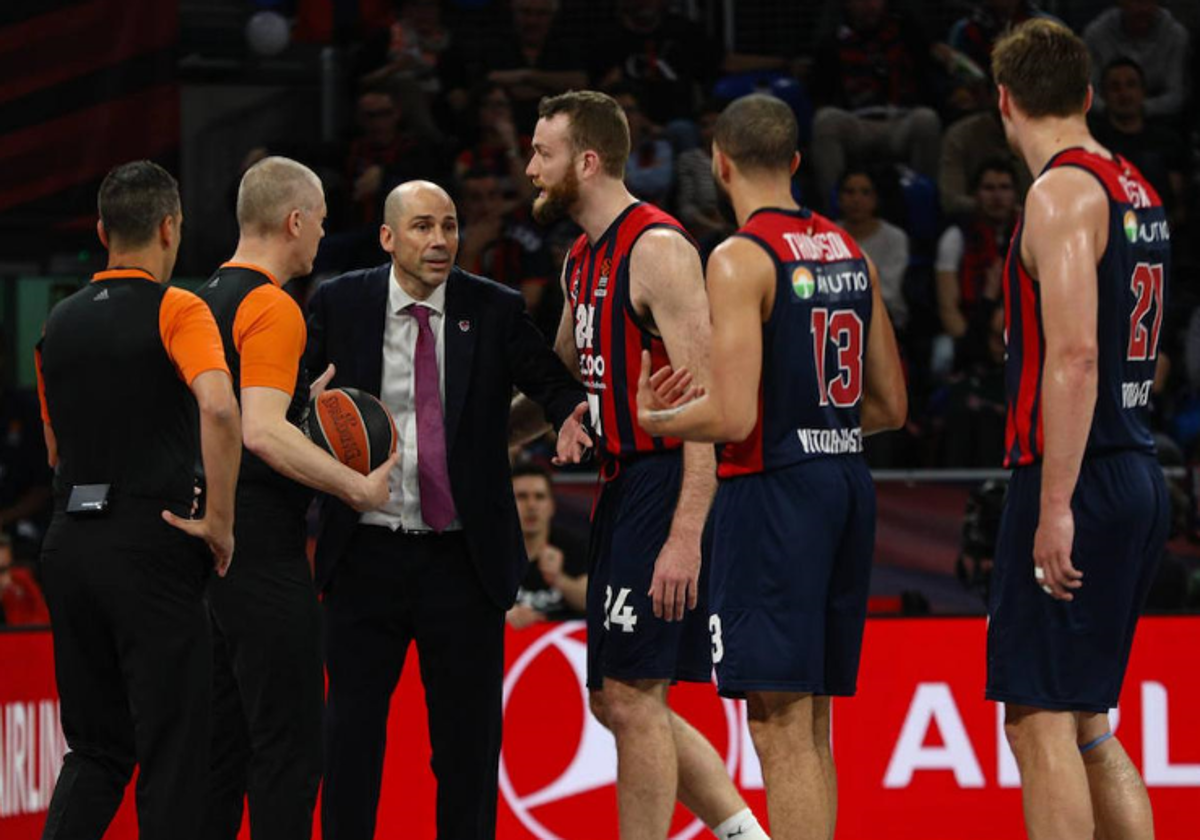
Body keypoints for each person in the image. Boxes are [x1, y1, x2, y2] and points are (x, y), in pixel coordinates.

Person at [636, 93, 907, 840]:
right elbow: (889, 404)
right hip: (845, 482)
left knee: (778, 727)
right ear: (794, 162)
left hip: (774, 494)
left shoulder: (739, 256)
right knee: (809, 725)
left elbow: (731, 418)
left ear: (719, 163)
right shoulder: (850, 249)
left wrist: (654, 416)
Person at [306, 179, 590, 840]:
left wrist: (568, 415)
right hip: (365, 556)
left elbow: (547, 378)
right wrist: (305, 412)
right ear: (388, 237)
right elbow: (293, 402)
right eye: (422, 227)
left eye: (450, 226)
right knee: (350, 746)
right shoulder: (341, 303)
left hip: (463, 561)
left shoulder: (491, 308)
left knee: (465, 754)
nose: (440, 241)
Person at [526, 89, 768, 840]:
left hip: (666, 484)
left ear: (587, 161)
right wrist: (463, 442)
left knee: (632, 695)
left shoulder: (658, 249)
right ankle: (742, 834)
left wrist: (686, 533)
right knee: (620, 697)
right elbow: (560, 382)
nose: (530, 167)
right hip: (621, 484)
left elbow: (711, 403)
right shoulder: (580, 258)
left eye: (544, 152)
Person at [987, 20, 1171, 840]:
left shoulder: (1060, 193)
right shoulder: (1136, 186)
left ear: (1004, 102)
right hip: (1136, 462)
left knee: (1036, 720)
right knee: (1090, 719)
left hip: (1080, 472)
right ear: (1090, 97)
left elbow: (1075, 357)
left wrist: (1053, 503)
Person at [35, 160, 241, 840]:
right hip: (150, 544)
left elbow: (55, 451)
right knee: (174, 753)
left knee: (95, 750)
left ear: (101, 231)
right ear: (169, 227)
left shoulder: (57, 321)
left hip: (69, 542)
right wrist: (218, 521)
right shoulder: (179, 307)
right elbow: (218, 408)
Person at [196, 157, 395, 840]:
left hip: (198, 545)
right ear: (295, 220)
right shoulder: (274, 305)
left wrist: (301, 411)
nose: (321, 239)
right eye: (321, 223)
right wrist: (356, 485)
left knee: (219, 751)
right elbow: (260, 434)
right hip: (258, 549)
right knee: (288, 746)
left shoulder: (195, 302)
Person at [1088, 57, 1188, 232]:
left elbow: (1179, 203)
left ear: (1143, 91)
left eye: (1131, 85)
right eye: (1115, 87)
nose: (1124, 94)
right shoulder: (1093, 144)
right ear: (1103, 95)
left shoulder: (1167, 140)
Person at [508, 460, 587, 628]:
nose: (531, 505)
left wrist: (559, 580)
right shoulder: (490, 551)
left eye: (539, 496)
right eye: (521, 497)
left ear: (551, 505)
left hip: (563, 643)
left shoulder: (573, 546)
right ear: (507, 504)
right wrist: (505, 615)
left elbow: (593, 602)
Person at [1083, 0, 1189, 120]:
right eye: (1136, 2)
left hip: (1159, 120)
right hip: (1106, 120)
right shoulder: (1096, 35)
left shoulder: (1175, 35)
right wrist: (1111, 111)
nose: (1142, 9)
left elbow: (1175, 95)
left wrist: (1138, 110)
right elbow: (1087, 91)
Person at [836, 167, 910, 331]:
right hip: (834, 319)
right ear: (839, 197)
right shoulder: (825, 236)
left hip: (884, 321)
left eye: (865, 192)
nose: (856, 199)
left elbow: (888, 292)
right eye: (849, 192)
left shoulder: (895, 238)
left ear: (876, 198)